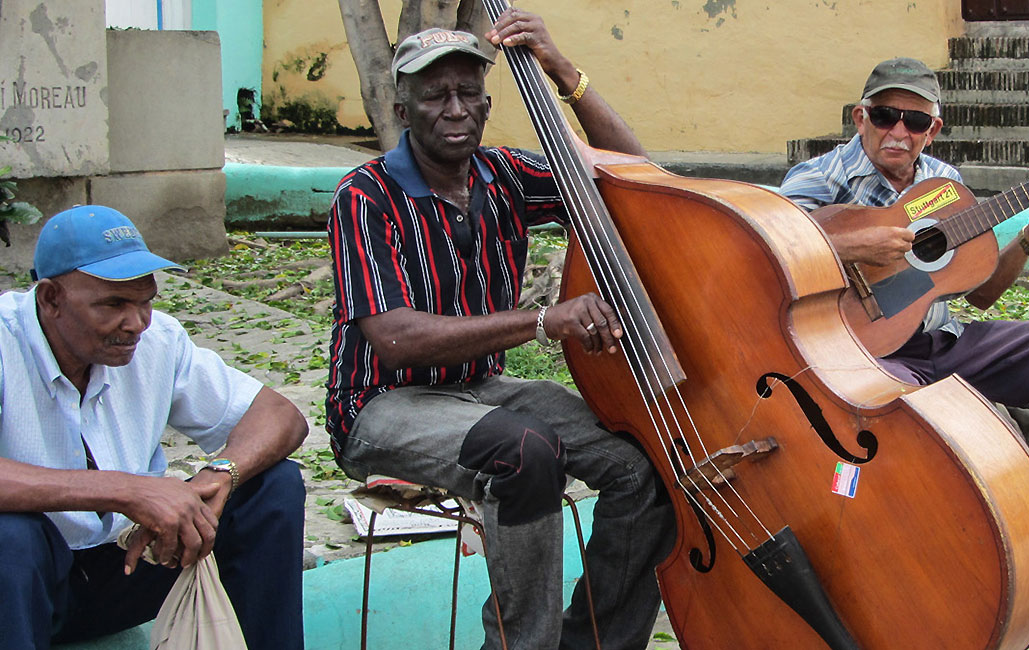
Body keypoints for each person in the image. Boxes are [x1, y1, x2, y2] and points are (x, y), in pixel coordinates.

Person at [326, 9, 673, 649]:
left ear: (487, 106)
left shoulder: (504, 175)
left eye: (467, 94)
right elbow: (394, 337)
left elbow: (634, 173)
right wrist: (544, 320)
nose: (454, 109)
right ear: (404, 111)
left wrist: (562, 69)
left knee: (645, 465)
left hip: (480, 390)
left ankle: (596, 641)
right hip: (382, 405)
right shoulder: (365, 194)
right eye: (434, 95)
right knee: (524, 452)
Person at [781, 57, 1029, 573]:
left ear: (932, 130)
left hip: (939, 342)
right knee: (890, 403)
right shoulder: (820, 178)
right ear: (860, 117)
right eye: (885, 116)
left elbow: (979, 295)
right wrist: (853, 242)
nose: (899, 131)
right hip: (857, 351)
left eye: (915, 122)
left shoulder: (945, 185)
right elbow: (767, 251)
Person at [0, 205, 309, 648]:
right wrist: (127, 490)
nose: (136, 323)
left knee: (273, 485)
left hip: (126, 561)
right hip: (23, 581)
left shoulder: (157, 340)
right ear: (51, 299)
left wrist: (220, 474)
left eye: (146, 301)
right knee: (9, 538)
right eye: (114, 304)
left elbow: (280, 415)